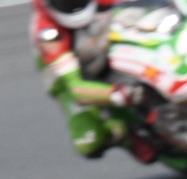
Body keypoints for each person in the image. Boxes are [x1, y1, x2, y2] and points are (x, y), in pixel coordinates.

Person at [30, 0, 155, 162]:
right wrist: (117, 95)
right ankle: (123, 134)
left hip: (105, 40)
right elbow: (76, 89)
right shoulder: (47, 31)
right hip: (68, 74)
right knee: (90, 142)